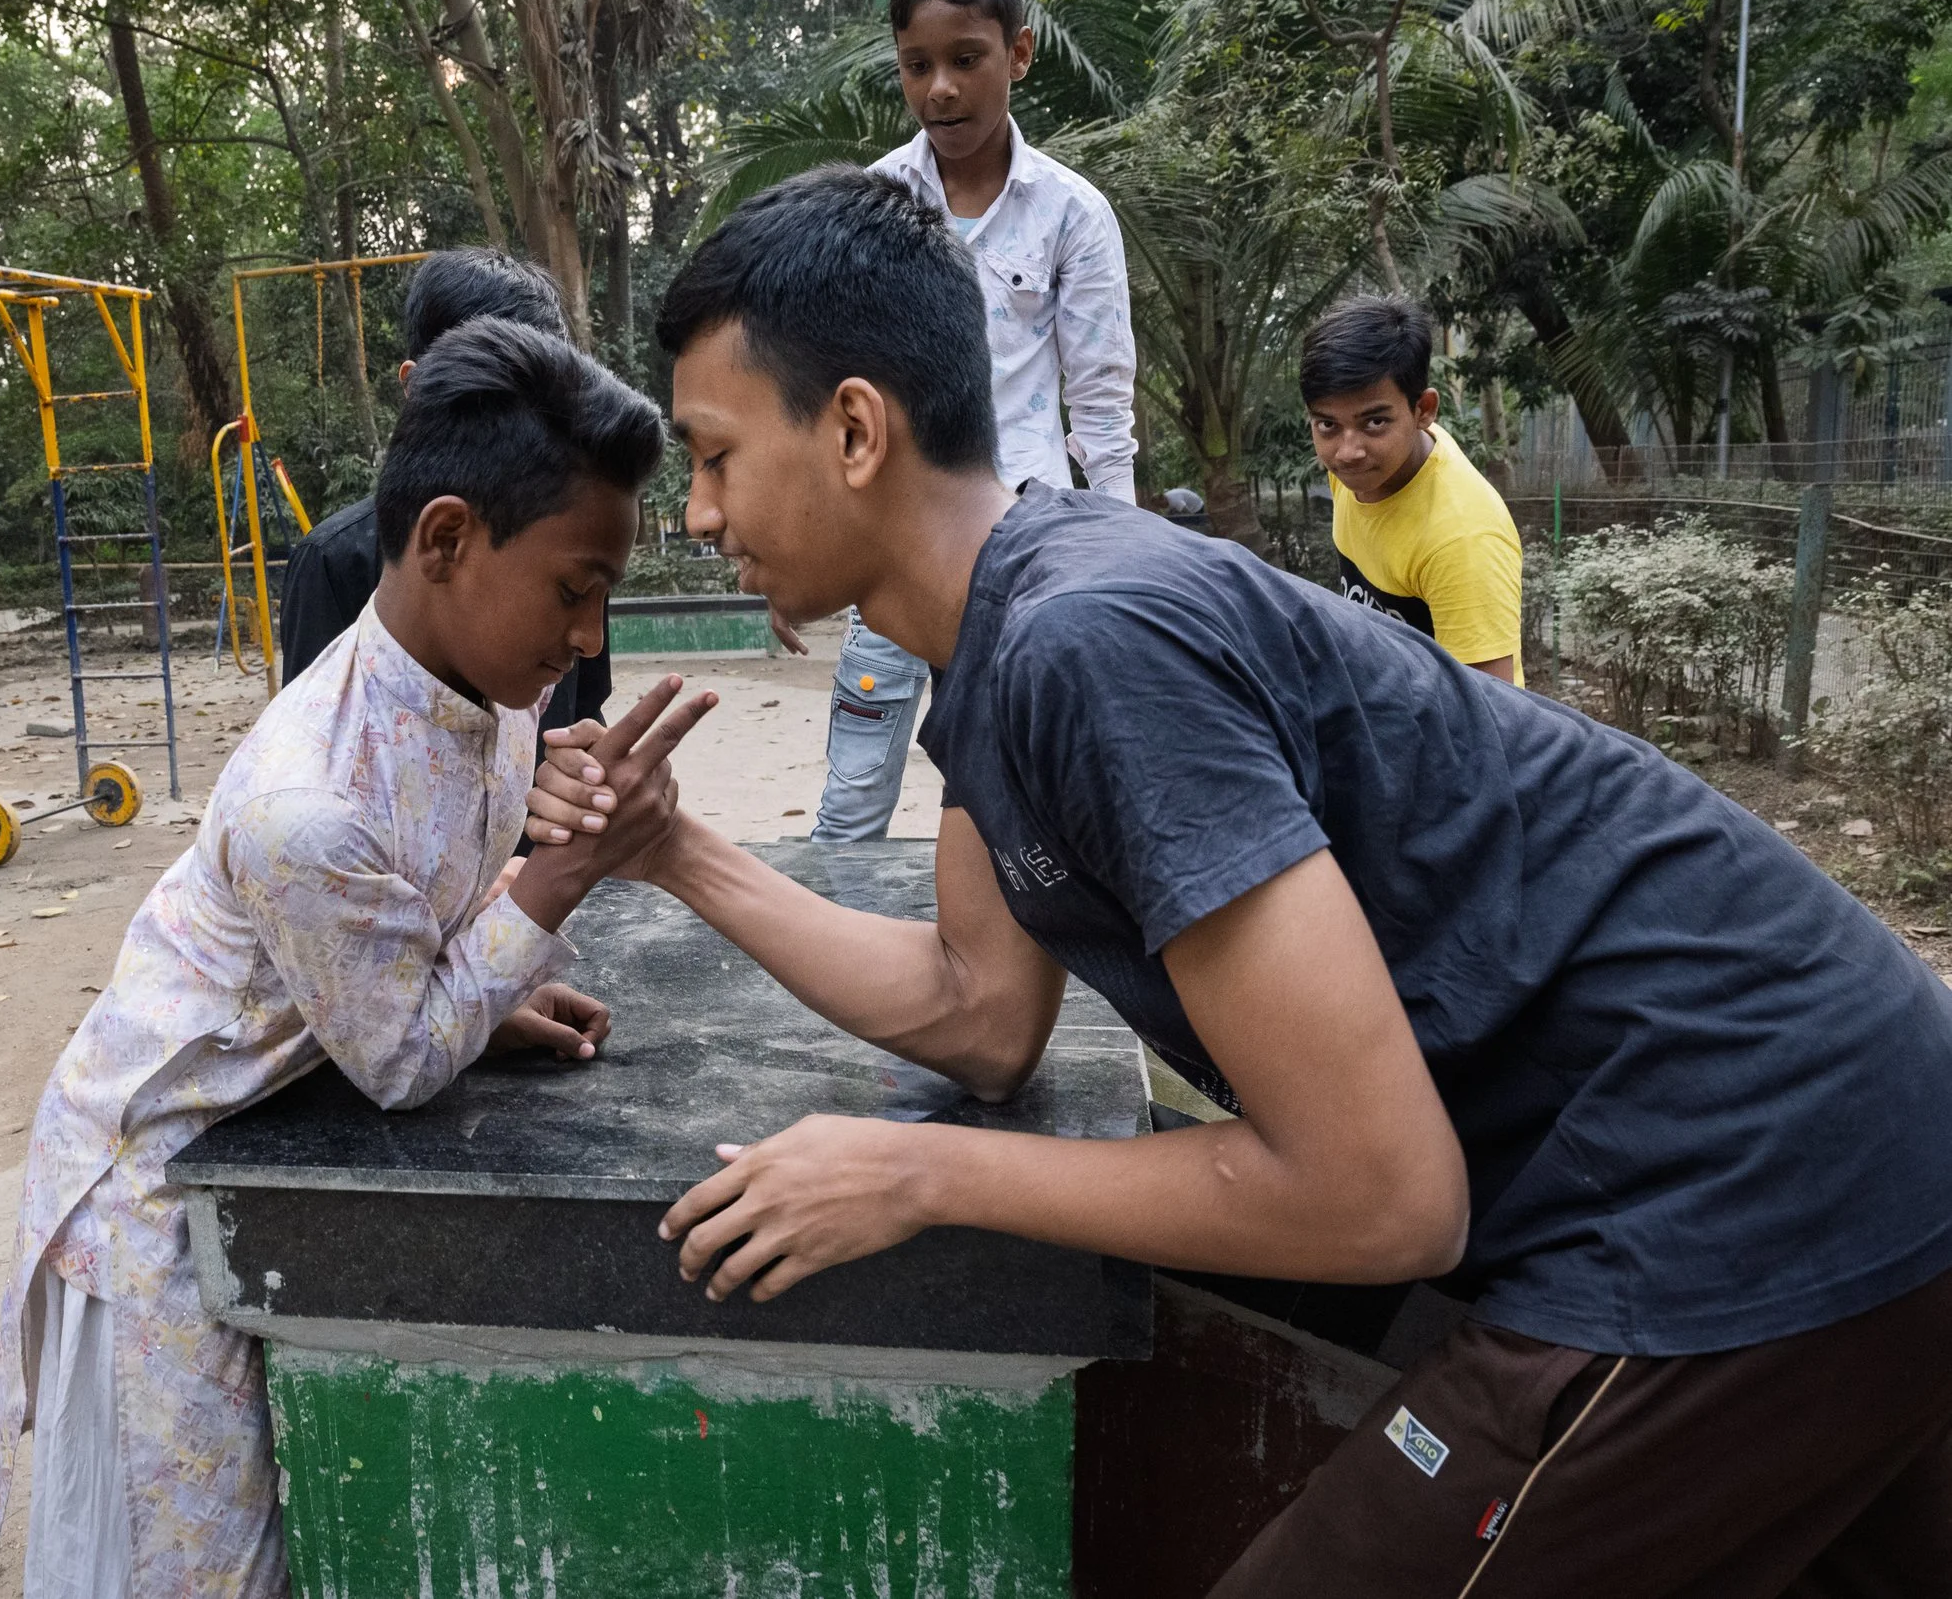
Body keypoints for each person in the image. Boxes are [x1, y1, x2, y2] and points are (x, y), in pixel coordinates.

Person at [531, 165, 1952, 1595]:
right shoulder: (1007, 642)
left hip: (1751, 1165)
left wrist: (918, 1169)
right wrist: (672, 849)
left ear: (852, 428)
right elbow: (977, 1011)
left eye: (714, 456)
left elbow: (1381, 1196)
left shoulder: (1092, 642)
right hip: (1825, 1129)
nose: (701, 515)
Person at [0, 319, 714, 1597]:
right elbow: (401, 1058)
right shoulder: (304, 802)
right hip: (161, 1181)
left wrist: (487, 982)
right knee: (203, 1568)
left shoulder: (493, 688)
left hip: (270, 1122)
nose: (590, 634)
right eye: (572, 587)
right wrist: (559, 877)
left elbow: (426, 944)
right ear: (444, 538)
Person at [804, 0, 1139, 843]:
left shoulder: (1073, 213)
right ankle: (834, 978)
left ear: (1017, 54)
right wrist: (798, 544)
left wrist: (1117, 562)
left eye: (965, 59)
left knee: (1008, 804)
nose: (941, 87)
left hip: (1020, 559)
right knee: (853, 797)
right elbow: (831, 393)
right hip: (892, 553)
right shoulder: (871, 205)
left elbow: (1103, 407)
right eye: (919, 65)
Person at [273, 246, 611, 736]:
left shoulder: (578, 553)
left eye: (547, 402)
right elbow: (311, 742)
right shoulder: (335, 564)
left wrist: (594, 779)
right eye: (494, 401)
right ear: (416, 389)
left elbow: (583, 716)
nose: (524, 430)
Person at [1306, 295, 1525, 684]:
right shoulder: (1359, 469)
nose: (1347, 452)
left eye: (1374, 422)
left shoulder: (1462, 540)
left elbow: (1492, 719)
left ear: (1423, 410)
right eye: (1327, 425)